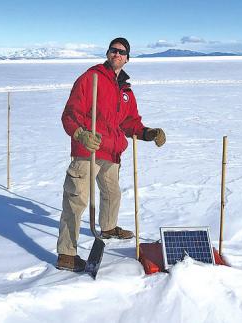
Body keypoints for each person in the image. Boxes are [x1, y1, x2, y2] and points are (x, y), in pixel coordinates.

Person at [56, 37, 166, 272]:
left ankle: (107, 227)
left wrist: (148, 133)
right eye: (113, 50)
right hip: (89, 149)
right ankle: (66, 254)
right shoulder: (91, 78)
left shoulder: (125, 90)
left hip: (112, 151)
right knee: (77, 199)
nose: (117, 54)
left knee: (112, 193)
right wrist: (81, 134)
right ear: (108, 54)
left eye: (122, 52)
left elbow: (130, 123)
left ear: (127, 58)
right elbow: (69, 114)